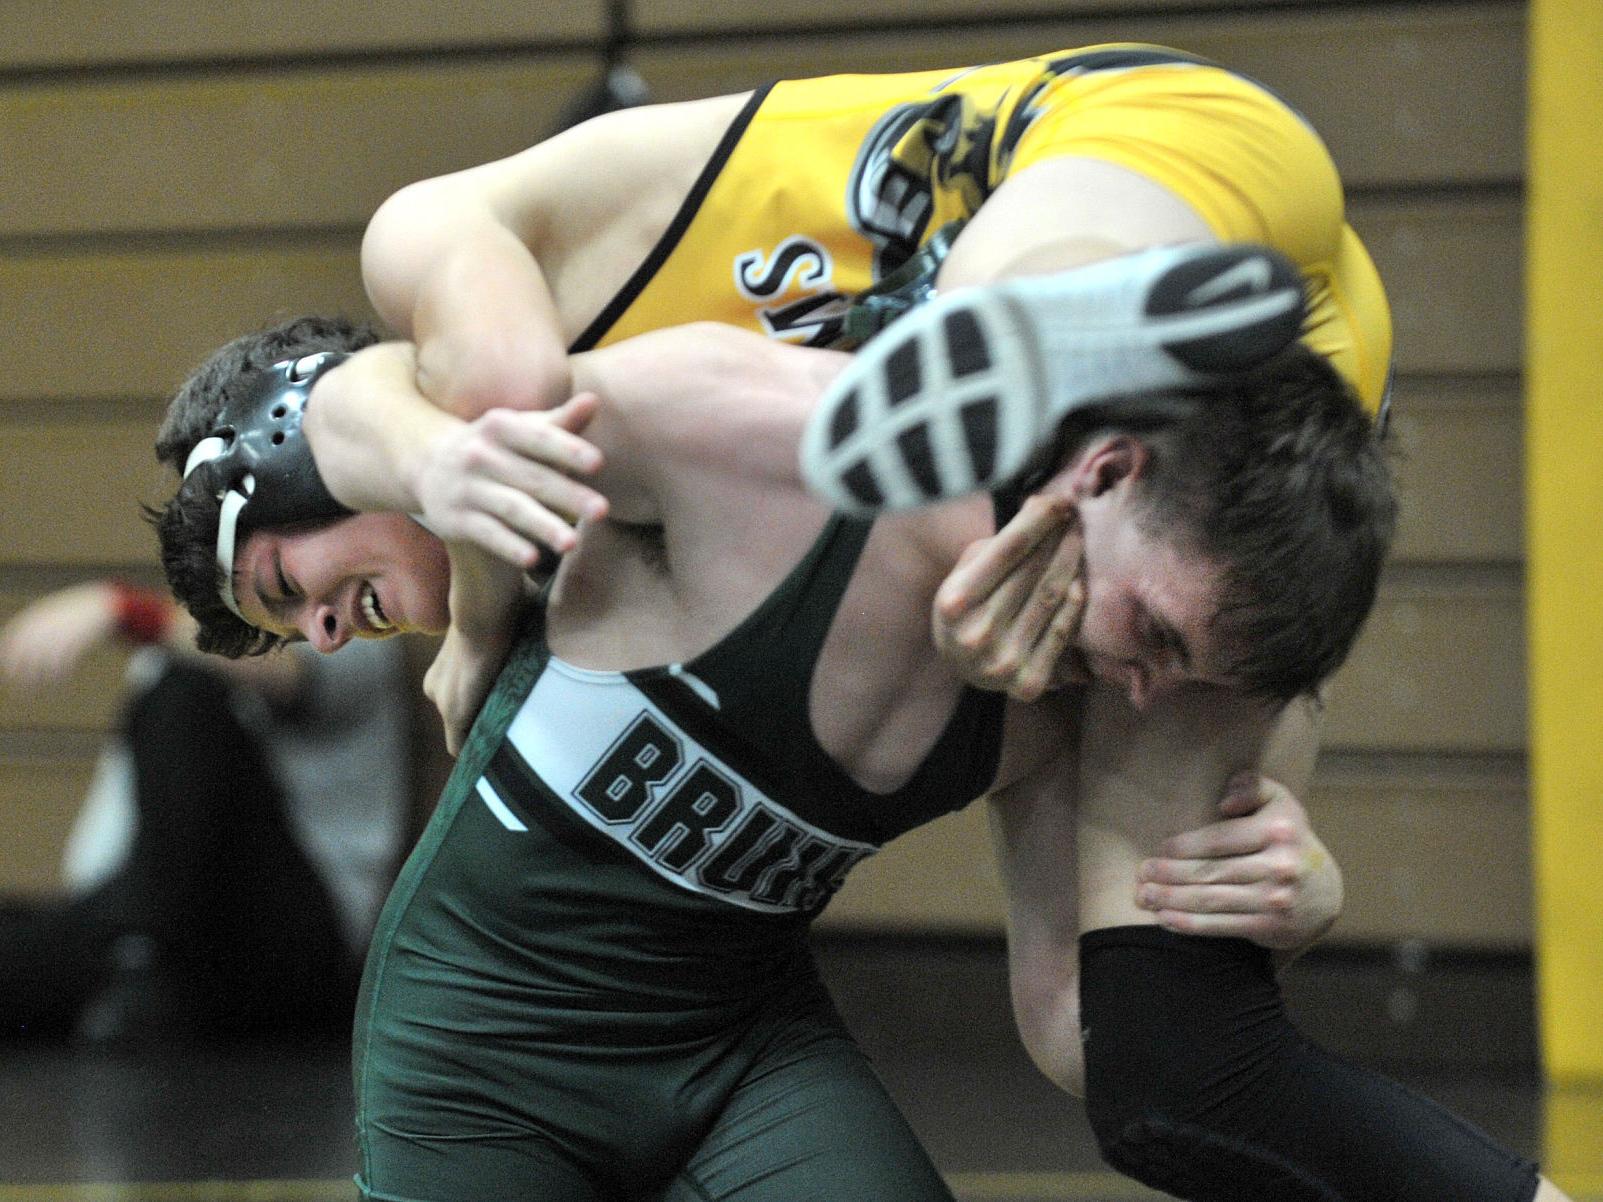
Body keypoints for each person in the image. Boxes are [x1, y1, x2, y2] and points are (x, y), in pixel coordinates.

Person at [148, 306, 1557, 1201]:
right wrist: (445, 497)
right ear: (1103, 474)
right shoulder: (748, 435)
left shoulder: (1098, 674)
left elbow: (1096, 1037)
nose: (1142, 675)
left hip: (737, 1042)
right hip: (480, 1049)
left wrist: (1267, 910)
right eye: (1154, 639)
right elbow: (396, 365)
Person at [0, 579, 410, 1041]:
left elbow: (285, 674)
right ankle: (134, 963)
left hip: (293, 943)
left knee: (186, 690)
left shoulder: (352, 616)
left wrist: (127, 613)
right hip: (162, 924)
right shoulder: (173, 647)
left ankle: (134, 960)